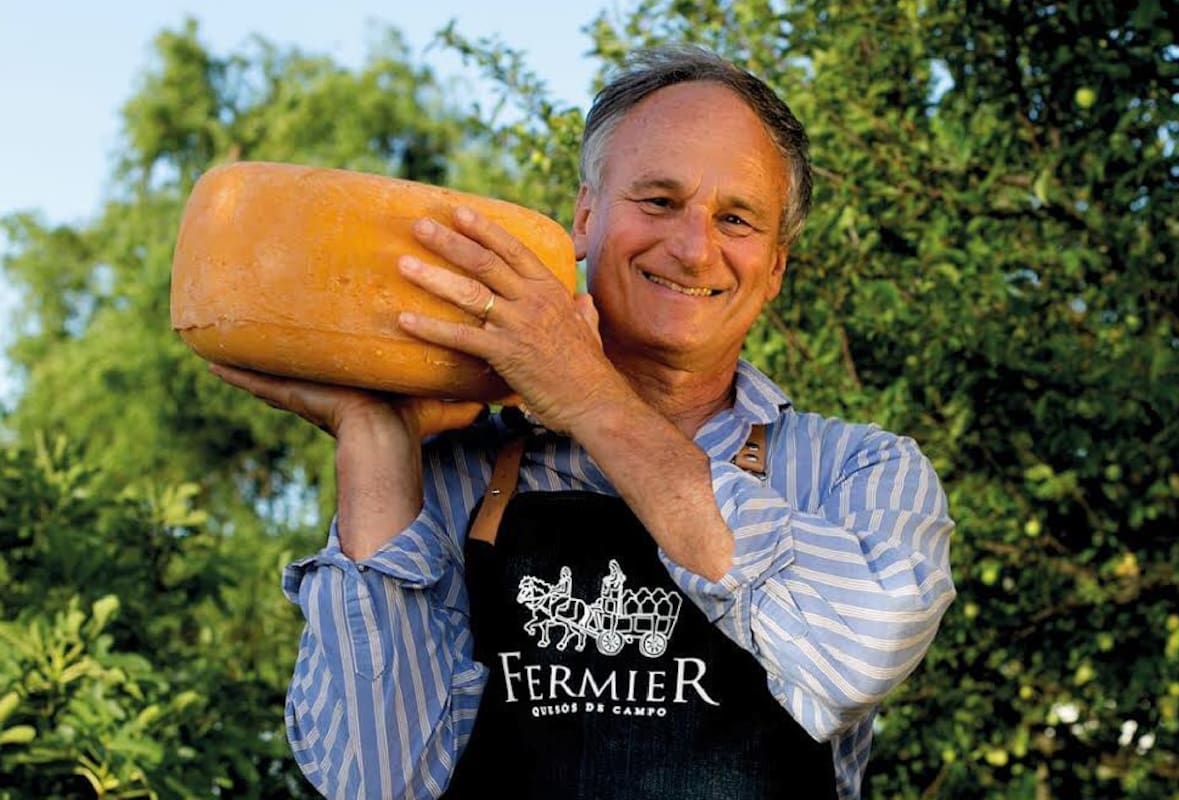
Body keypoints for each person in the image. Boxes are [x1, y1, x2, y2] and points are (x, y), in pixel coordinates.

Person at [212, 46, 956, 800]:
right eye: (659, 201)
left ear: (775, 268)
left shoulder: (861, 473)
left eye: (735, 218)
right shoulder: (453, 472)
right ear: (585, 216)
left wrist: (588, 395)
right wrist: (375, 436)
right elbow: (376, 779)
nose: (694, 249)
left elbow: (856, 654)